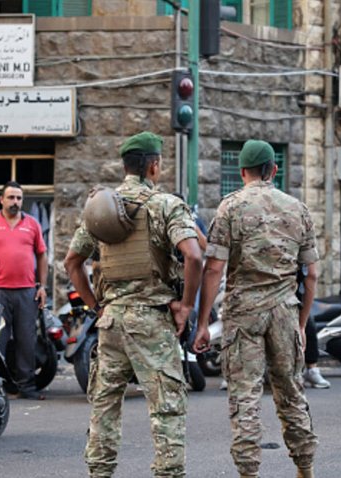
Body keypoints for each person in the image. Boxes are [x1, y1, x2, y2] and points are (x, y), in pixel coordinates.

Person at [63, 131, 202, 478]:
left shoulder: (100, 207)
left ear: (126, 165)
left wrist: (97, 306)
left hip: (110, 323)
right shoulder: (165, 205)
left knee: (104, 407)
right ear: (154, 165)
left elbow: (72, 263)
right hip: (151, 322)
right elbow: (194, 256)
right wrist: (185, 306)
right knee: (166, 409)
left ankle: (99, 473)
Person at [193, 139, 319, 478]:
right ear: (274, 170)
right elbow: (311, 275)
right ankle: (305, 468)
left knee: (245, 397)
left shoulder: (230, 208)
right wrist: (301, 324)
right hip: (284, 313)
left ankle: (249, 473)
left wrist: (203, 322)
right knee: (291, 392)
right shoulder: (297, 209)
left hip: (243, 312)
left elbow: (214, 268)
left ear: (241, 171)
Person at [0, 181, 48, 400]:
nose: (15, 202)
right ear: (1, 199)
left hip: (26, 292)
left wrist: (42, 286)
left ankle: (27, 387)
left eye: (19, 198)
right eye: (11, 197)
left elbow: (41, 255)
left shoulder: (32, 224)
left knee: (26, 340)